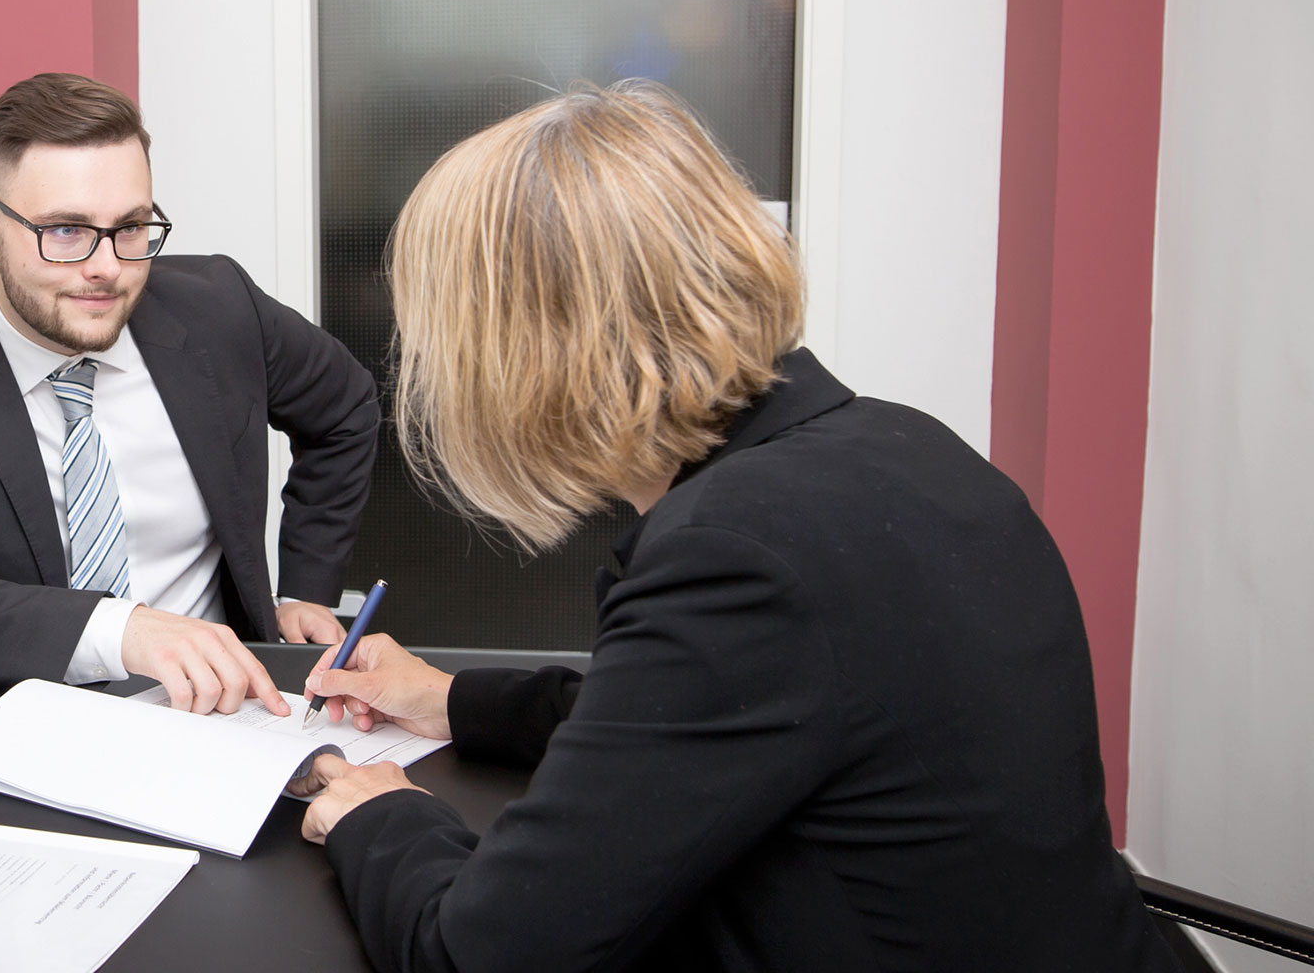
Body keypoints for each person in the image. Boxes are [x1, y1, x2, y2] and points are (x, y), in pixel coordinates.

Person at [289, 81, 1181, 971]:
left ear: (527, 352)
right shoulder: (903, 447)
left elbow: (477, 958)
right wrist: (447, 699)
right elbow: (685, 720)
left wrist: (383, 816)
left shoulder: (738, 555)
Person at [0, 72, 380, 715]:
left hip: (227, 717)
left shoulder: (220, 310)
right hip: (13, 722)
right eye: (66, 231)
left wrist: (306, 589)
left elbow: (346, 410)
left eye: (130, 228)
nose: (106, 266)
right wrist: (123, 630)